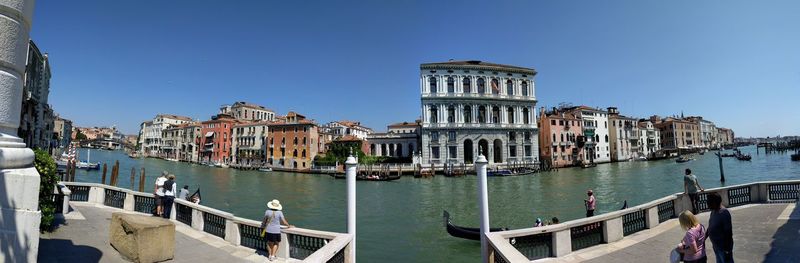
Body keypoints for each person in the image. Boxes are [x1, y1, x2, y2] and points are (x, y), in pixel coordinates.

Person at [706, 193, 734, 263]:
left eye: (709, 202)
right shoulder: (713, 211)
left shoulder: (724, 213)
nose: (707, 204)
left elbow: (728, 232)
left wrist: (727, 249)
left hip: (723, 248)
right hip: (716, 246)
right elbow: (710, 226)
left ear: (715, 203)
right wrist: (703, 238)